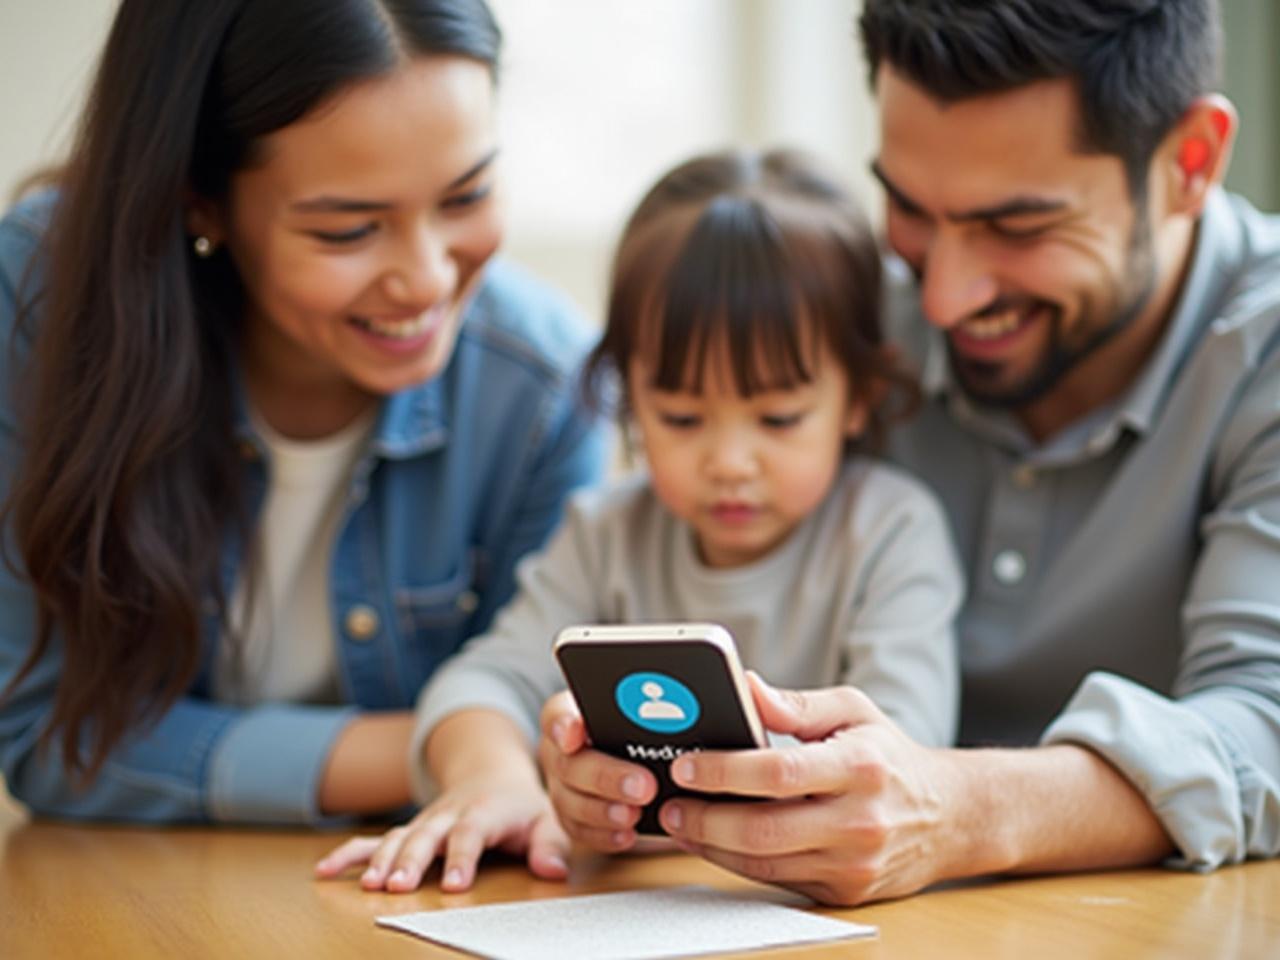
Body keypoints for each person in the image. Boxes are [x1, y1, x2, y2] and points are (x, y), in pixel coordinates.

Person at [536, 0, 1280, 907]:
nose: (940, 301)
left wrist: (957, 809)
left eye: (1019, 225)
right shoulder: (841, 329)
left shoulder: (1264, 354)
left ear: (1189, 161)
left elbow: (1265, 725)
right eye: (910, 208)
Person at [0, 0, 606, 826]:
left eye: (466, 197)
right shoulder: (42, 306)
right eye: (349, 230)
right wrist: (462, 747)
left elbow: (565, 740)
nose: (426, 280)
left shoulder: (547, 390)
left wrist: (499, 759)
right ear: (198, 201)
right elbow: (45, 732)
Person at [316, 148, 964, 892]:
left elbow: (906, 755)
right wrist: (499, 779)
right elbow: (483, 682)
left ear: (858, 397)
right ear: (628, 397)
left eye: (779, 418)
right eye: (682, 416)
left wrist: (665, 810)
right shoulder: (606, 533)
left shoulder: (890, 533)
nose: (729, 461)